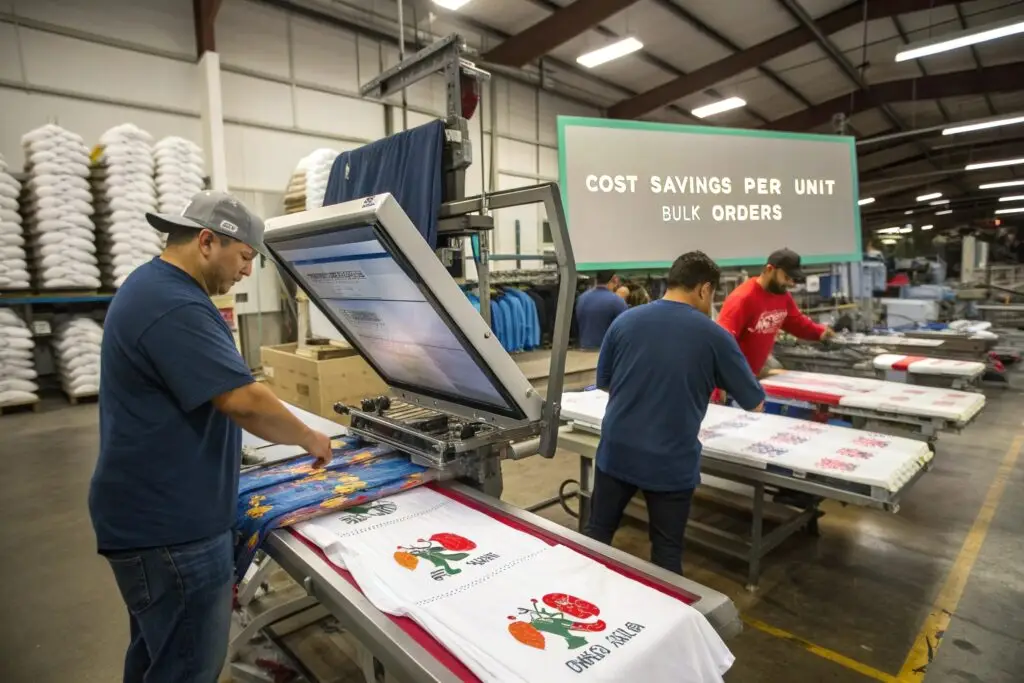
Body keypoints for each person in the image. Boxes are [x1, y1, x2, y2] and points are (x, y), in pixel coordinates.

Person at [89, 190, 334, 683]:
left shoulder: (153, 287)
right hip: (170, 533)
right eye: (245, 257)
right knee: (187, 668)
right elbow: (242, 399)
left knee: (156, 657)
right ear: (207, 241)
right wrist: (310, 438)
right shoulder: (174, 303)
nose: (247, 272)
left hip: (149, 518)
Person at [585, 251, 765, 574]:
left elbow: (606, 383)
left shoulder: (624, 321)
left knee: (596, 537)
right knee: (666, 554)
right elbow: (754, 402)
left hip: (617, 451)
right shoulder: (715, 337)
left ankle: (577, 605)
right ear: (704, 289)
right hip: (670, 462)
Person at [717, 248, 835, 378]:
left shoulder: (782, 296)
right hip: (731, 379)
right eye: (786, 277)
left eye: (793, 279)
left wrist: (819, 332)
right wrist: (719, 390)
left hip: (751, 376)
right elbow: (721, 343)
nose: (790, 284)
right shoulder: (743, 298)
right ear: (769, 269)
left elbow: (796, 322)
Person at [575, 270, 627, 349]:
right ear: (615, 279)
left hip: (583, 350)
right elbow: (624, 329)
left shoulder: (581, 298)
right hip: (605, 351)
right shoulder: (617, 301)